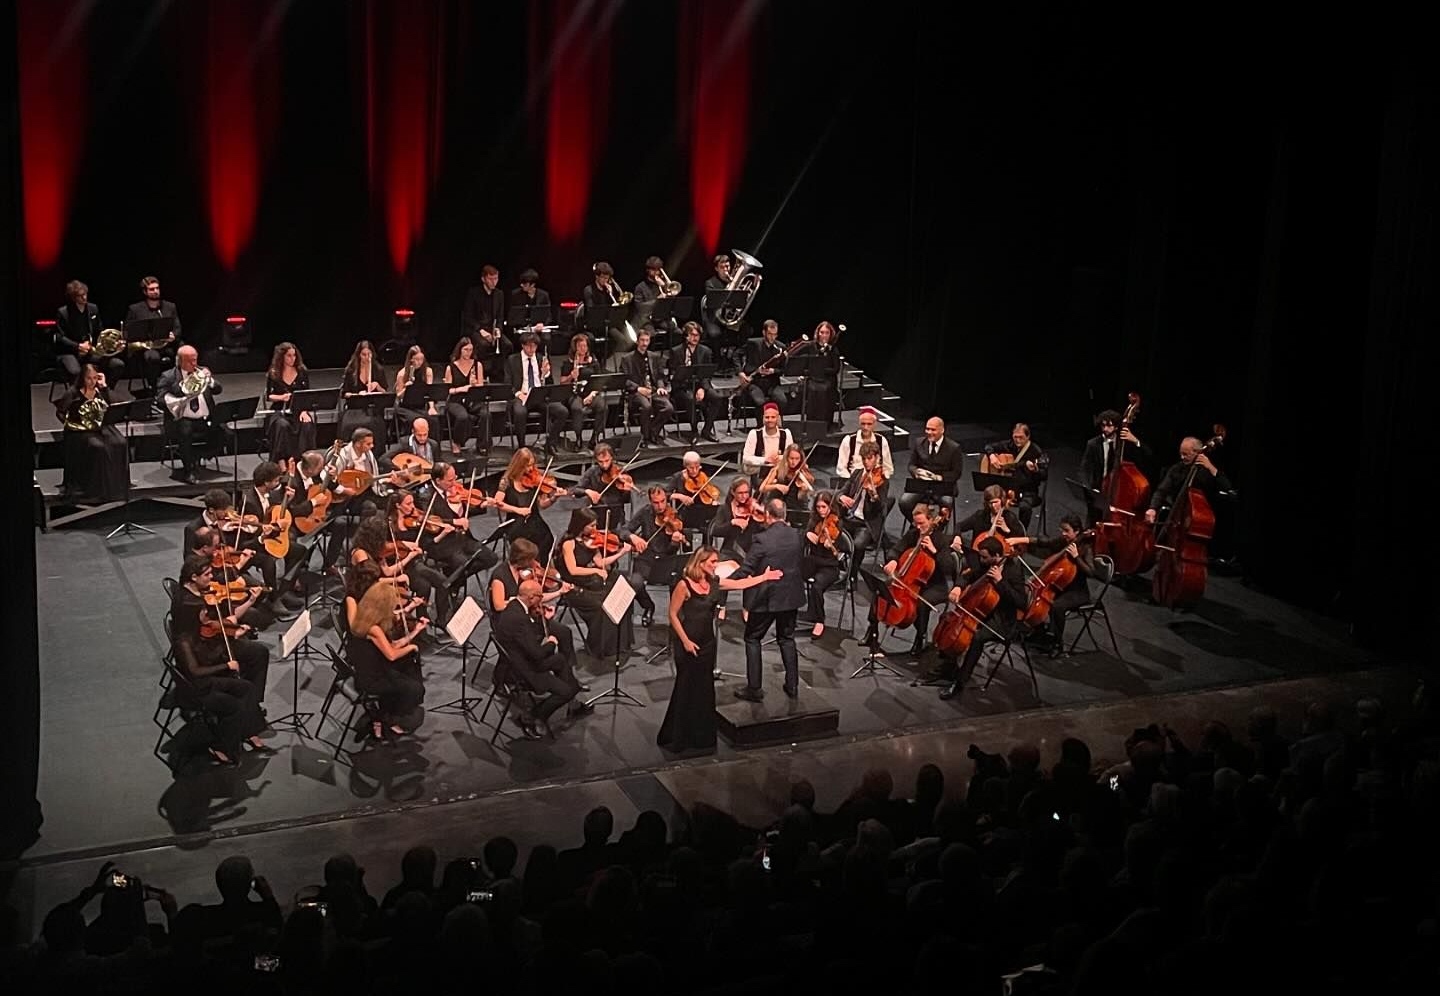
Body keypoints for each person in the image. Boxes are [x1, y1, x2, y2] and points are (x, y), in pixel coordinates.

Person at [659, 546, 782, 752]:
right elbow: (672, 614)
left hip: (707, 643)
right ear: (700, 563)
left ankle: (702, 737)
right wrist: (686, 641)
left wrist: (764, 577)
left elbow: (740, 583)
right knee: (686, 688)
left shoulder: (715, 583)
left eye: (716, 562)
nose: (716, 566)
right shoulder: (684, 585)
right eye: (712, 562)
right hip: (687, 642)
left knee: (704, 689)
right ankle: (678, 737)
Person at [170, 554, 271, 764]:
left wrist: (243, 609)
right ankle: (247, 722)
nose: (211, 578)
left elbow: (217, 623)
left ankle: (251, 712)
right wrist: (232, 629)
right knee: (251, 661)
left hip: (209, 643)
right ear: (192, 577)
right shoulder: (193, 606)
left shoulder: (195, 594)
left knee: (259, 653)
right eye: (206, 575)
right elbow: (214, 625)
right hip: (207, 651)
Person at [492, 579, 591, 739]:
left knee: (559, 660)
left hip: (522, 659)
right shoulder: (519, 619)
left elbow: (527, 637)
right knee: (565, 691)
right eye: (540, 595)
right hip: (525, 670)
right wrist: (551, 642)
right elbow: (537, 653)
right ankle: (534, 716)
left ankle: (573, 701)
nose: (542, 598)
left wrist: (544, 619)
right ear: (531, 597)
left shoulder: (514, 606)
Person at [727, 498, 804, 700]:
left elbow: (747, 568)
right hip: (790, 597)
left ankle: (754, 689)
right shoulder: (797, 535)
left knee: (752, 638)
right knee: (786, 639)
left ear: (769, 516)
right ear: (784, 515)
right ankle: (793, 685)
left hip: (767, 597)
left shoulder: (762, 539)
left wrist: (724, 581)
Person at [937, 536, 1029, 700]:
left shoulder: (1013, 570)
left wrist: (1000, 582)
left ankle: (959, 682)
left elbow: (1022, 603)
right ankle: (948, 665)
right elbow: (967, 575)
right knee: (945, 618)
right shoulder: (986, 563)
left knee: (977, 638)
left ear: (997, 555)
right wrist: (958, 587)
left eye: (984, 557)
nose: (980, 560)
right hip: (980, 611)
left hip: (1002, 618)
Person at [861, 502, 956, 657]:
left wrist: (934, 551)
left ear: (931, 520)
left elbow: (948, 568)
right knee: (881, 589)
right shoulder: (913, 534)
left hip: (934, 585)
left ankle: (920, 638)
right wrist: (892, 560)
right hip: (909, 579)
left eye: (922, 523)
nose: (918, 527)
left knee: (920, 604)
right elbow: (896, 549)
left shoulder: (941, 539)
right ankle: (872, 632)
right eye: (915, 523)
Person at [347, 580, 428, 741]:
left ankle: (387, 711)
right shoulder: (374, 629)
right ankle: (389, 719)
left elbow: (391, 645)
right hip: (371, 680)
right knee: (415, 688)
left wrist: (414, 633)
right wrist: (412, 647)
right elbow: (391, 654)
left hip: (370, 668)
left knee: (408, 669)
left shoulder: (364, 619)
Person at [557, 506, 635, 658]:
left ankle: (619, 644)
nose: (595, 529)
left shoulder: (591, 541)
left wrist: (621, 553)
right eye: (591, 526)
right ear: (581, 525)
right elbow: (573, 570)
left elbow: (600, 562)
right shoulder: (569, 543)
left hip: (590, 582)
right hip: (573, 586)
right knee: (602, 607)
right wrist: (595, 571)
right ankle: (599, 647)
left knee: (620, 597)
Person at [54, 363, 127, 502]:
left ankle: (116, 486)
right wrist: (72, 424)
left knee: (121, 442)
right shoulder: (73, 393)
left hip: (100, 427)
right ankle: (94, 489)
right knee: (97, 447)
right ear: (82, 378)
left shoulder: (100, 390)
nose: (92, 382)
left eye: (95, 378)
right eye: (89, 378)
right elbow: (60, 412)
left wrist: (104, 386)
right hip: (79, 430)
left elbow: (116, 404)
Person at [1024, 514, 1095, 657]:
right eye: (1062, 530)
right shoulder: (1064, 542)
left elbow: (1091, 572)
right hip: (1060, 587)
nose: (1063, 534)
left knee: (1057, 606)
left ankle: (1057, 643)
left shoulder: (1085, 548)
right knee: (1028, 594)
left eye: (1066, 531)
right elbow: (1046, 543)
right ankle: (1040, 633)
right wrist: (1022, 539)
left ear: (1077, 531)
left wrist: (1076, 558)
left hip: (1077, 592)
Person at [621, 484, 688, 626]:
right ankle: (648, 606)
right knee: (635, 583)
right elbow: (624, 530)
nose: (660, 506)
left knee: (679, 583)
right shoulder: (645, 512)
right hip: (646, 559)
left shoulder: (675, 515)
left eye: (663, 501)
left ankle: (676, 617)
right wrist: (633, 537)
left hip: (667, 560)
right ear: (650, 502)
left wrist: (675, 543)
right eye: (656, 502)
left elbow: (676, 550)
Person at [156, 344, 220, 483]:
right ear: (180, 361)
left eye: (195, 359)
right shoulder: (168, 376)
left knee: (227, 433)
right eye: (190, 361)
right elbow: (160, 399)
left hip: (205, 418)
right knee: (185, 432)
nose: (194, 364)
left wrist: (210, 380)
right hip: (181, 419)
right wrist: (180, 395)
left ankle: (197, 457)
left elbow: (218, 390)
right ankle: (188, 470)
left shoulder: (202, 371)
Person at [1145, 436, 1234, 524]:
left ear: (1197, 452)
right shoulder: (1177, 468)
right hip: (1175, 517)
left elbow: (1227, 487)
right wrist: (1152, 508)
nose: (1182, 457)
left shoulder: (1208, 470)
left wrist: (1211, 468)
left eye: (1185, 454)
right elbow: (1162, 490)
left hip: (1199, 519)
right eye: (1181, 453)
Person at [492, 447, 562, 557]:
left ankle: (541, 568)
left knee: (548, 540)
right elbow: (498, 502)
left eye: (532, 465)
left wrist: (554, 498)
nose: (531, 469)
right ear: (519, 465)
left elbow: (542, 505)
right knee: (526, 549)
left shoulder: (534, 480)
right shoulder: (506, 481)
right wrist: (518, 510)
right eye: (527, 466)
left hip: (535, 520)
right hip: (516, 523)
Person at [506, 331, 568, 453]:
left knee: (562, 411)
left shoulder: (541, 358)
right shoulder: (513, 360)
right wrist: (519, 394)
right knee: (519, 412)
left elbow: (549, 383)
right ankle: (522, 446)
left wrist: (546, 373)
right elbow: (508, 383)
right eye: (529, 346)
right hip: (521, 395)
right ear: (523, 346)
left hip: (539, 395)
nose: (531, 349)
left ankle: (550, 442)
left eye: (534, 346)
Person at [836, 441, 889, 580]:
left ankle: (852, 576)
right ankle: (838, 563)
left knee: (858, 545)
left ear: (877, 458)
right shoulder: (857, 474)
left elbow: (880, 508)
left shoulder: (882, 480)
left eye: (869, 458)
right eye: (864, 458)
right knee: (829, 534)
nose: (866, 462)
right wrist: (842, 497)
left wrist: (874, 496)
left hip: (866, 523)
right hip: (849, 517)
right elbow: (840, 491)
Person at [55, 279, 124, 384]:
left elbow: (100, 331)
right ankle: (79, 397)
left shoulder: (93, 308)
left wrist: (113, 344)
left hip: (90, 350)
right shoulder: (63, 312)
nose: (84, 297)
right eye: (80, 295)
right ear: (73, 297)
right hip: (70, 352)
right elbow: (60, 337)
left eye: (85, 294)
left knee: (117, 365)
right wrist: (78, 346)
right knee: (75, 372)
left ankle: (103, 391)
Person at [982, 422, 1048, 528]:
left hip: (1027, 490)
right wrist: (992, 456)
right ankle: (989, 529)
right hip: (1007, 488)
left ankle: (1021, 533)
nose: (1017, 440)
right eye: (1015, 437)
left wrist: (1035, 470)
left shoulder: (1035, 451)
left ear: (1028, 436)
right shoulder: (1010, 445)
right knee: (990, 499)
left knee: (1025, 507)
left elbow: (1044, 475)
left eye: (1021, 437)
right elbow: (988, 446)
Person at [949, 484, 1025, 574]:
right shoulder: (980, 515)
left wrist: (1007, 530)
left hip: (999, 561)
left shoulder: (1009, 518)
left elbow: (1020, 542)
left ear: (1002, 501)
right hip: (978, 557)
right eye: (990, 503)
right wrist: (957, 536)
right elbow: (959, 525)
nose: (993, 506)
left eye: (996, 502)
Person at [263, 342, 316, 473]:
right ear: (282, 357)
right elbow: (269, 396)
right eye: (289, 356)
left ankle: (302, 460)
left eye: (294, 356)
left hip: (299, 409)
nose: (292, 359)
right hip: (279, 410)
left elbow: (306, 395)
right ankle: (281, 459)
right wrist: (282, 397)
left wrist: (304, 411)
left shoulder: (302, 372)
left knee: (306, 425)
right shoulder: (274, 373)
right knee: (282, 425)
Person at [898, 416, 964, 520]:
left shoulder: (954, 448)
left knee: (947, 504)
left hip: (943, 486)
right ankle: (918, 525)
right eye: (927, 429)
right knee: (904, 502)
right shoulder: (919, 443)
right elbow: (911, 465)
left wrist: (939, 477)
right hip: (922, 485)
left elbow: (956, 473)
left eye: (933, 429)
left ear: (942, 430)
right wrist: (916, 471)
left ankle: (936, 530)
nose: (929, 432)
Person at [124, 274, 181, 392]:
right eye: (151, 289)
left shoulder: (170, 306)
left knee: (185, 350)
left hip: (167, 345)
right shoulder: (135, 309)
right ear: (145, 292)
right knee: (152, 357)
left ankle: (181, 385)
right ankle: (155, 388)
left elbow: (177, 327)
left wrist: (173, 336)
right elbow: (128, 331)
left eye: (157, 288)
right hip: (147, 348)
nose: (155, 291)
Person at [801, 492, 846, 638]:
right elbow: (804, 535)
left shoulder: (837, 522)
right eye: (818, 507)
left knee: (817, 586)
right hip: (813, 561)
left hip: (829, 565)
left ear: (830, 507)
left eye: (824, 507)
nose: (821, 510)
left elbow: (839, 545)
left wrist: (831, 544)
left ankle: (819, 621)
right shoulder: (814, 520)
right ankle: (797, 610)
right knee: (792, 575)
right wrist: (807, 535)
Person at [667, 321, 718, 443]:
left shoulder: (706, 351)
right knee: (690, 399)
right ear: (686, 336)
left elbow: (706, 374)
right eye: (693, 335)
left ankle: (706, 430)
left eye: (697, 335)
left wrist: (702, 389)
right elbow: (673, 373)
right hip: (682, 387)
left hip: (699, 386)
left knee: (717, 397)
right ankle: (694, 430)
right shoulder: (676, 351)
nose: (695, 338)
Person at [556, 332, 608, 451]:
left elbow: (599, 381)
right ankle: (578, 438)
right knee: (576, 409)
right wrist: (571, 376)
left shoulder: (593, 361)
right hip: (574, 393)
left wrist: (592, 395)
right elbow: (562, 382)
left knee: (603, 407)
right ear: (575, 347)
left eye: (585, 346)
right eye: (580, 346)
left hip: (591, 392)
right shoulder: (568, 362)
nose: (583, 349)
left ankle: (595, 437)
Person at [622, 326, 674, 446]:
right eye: (642, 340)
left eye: (647, 340)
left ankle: (653, 432)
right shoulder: (627, 358)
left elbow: (660, 376)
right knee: (646, 407)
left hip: (652, 390)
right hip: (636, 392)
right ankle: (645, 437)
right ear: (637, 341)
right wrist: (638, 388)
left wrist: (661, 386)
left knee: (668, 408)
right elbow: (624, 380)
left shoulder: (654, 357)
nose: (645, 343)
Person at [460, 263, 513, 379]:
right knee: (483, 345)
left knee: (507, 345)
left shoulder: (499, 294)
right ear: (483, 279)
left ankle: (497, 373)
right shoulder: (473, 293)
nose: (494, 282)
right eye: (491, 279)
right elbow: (468, 317)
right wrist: (481, 330)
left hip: (492, 328)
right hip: (477, 329)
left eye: (496, 279)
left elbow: (500, 316)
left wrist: (498, 329)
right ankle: (482, 373)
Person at [339, 340, 390, 447]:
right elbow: (345, 393)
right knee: (348, 425)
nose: (367, 357)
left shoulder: (378, 369)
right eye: (364, 354)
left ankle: (376, 453)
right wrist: (357, 395)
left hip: (372, 407)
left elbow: (385, 392)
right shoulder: (351, 370)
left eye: (369, 354)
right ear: (359, 355)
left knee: (375, 424)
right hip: (355, 407)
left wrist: (377, 386)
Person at [442, 336, 488, 455]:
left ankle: (482, 444)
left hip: (472, 399)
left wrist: (474, 385)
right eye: (465, 350)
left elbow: (481, 386)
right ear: (460, 350)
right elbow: (448, 390)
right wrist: (463, 388)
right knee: (463, 417)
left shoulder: (477, 365)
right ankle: (457, 442)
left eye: (470, 350)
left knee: (485, 414)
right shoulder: (451, 367)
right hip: (455, 400)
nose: (468, 353)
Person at [737, 319, 788, 412]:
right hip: (755, 382)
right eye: (770, 334)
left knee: (782, 401)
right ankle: (761, 426)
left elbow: (784, 369)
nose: (772, 338)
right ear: (764, 332)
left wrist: (773, 371)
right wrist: (740, 372)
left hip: (772, 383)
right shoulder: (753, 344)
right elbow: (736, 355)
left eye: (775, 334)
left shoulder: (781, 347)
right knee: (760, 402)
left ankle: (775, 425)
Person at [577, 441, 633, 524]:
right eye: (601, 462)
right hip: (596, 514)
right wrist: (588, 491)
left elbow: (626, 500)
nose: (605, 465)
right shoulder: (591, 472)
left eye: (607, 461)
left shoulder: (620, 472)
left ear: (612, 458)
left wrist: (626, 491)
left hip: (616, 513)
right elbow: (576, 490)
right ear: (596, 460)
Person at [835, 406, 894, 481]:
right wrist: (852, 482)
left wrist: (880, 480)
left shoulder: (881, 441)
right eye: (863, 424)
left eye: (869, 424)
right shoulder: (849, 441)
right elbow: (841, 468)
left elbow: (888, 467)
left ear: (875, 424)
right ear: (859, 423)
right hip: (854, 482)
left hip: (876, 482)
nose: (866, 427)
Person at [802, 320, 842, 427]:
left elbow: (836, 369)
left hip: (827, 379)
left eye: (827, 333)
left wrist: (822, 369)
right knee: (813, 389)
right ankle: (811, 423)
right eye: (822, 332)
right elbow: (805, 366)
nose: (824, 335)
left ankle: (824, 424)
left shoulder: (833, 349)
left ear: (830, 334)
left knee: (825, 391)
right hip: (813, 378)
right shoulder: (811, 346)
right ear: (817, 333)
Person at [668, 450, 720, 530]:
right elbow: (666, 494)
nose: (695, 471)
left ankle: (706, 542)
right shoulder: (678, 477)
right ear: (685, 466)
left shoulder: (702, 476)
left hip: (703, 511)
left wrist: (713, 500)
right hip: (685, 513)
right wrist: (681, 496)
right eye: (691, 468)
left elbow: (710, 491)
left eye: (697, 467)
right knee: (704, 523)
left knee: (712, 519)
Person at [758, 442, 815, 513]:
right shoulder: (778, 469)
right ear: (786, 458)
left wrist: (803, 491)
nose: (794, 462)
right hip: (778, 506)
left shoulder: (803, 470)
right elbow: (762, 488)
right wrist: (777, 486)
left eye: (797, 459)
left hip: (796, 508)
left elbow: (802, 497)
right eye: (791, 458)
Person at [740, 402, 793, 475]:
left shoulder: (786, 433)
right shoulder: (754, 434)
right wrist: (765, 460)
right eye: (767, 417)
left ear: (778, 418)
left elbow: (791, 455)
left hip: (779, 470)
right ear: (763, 418)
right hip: (760, 471)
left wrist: (779, 458)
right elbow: (746, 458)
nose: (770, 420)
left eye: (773, 417)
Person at [394, 345, 438, 429]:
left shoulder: (428, 371)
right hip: (405, 407)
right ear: (411, 359)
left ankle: (432, 442)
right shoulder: (402, 374)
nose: (420, 362)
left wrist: (431, 408)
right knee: (417, 421)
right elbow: (398, 396)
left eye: (421, 359)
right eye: (417, 359)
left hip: (420, 406)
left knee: (434, 420)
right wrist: (406, 388)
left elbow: (429, 392)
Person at [701, 253, 733, 342]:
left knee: (746, 329)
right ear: (716, 269)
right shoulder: (710, 283)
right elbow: (713, 302)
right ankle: (717, 356)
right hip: (715, 319)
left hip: (730, 318)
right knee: (715, 334)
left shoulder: (735, 281)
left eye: (727, 266)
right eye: (722, 267)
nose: (726, 270)